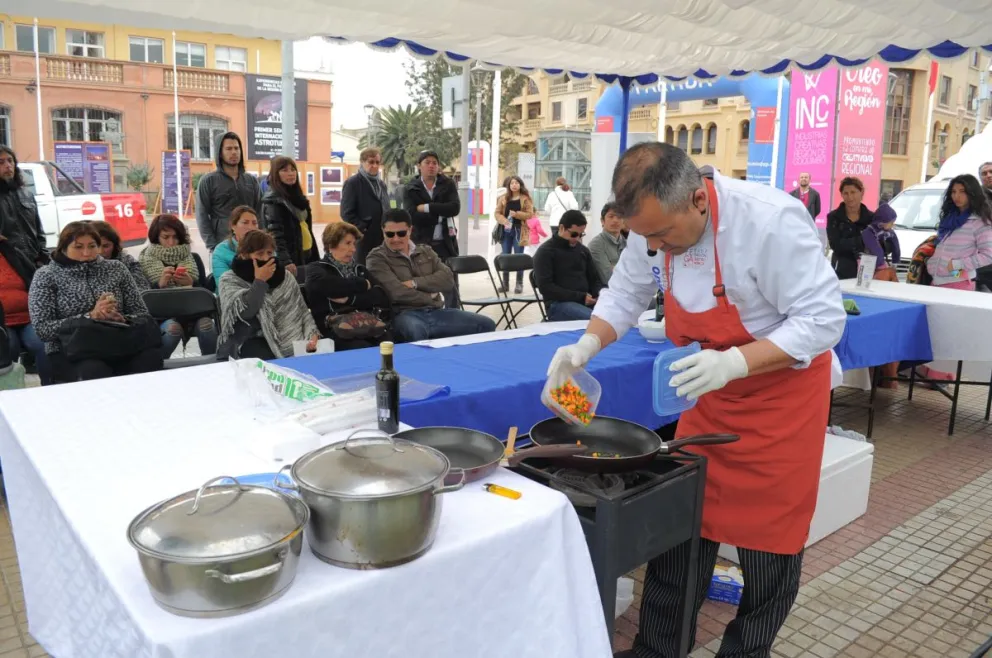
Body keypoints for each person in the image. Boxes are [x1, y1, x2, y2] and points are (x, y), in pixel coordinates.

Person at [547, 143, 845, 658]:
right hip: (708, 398)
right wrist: (586, 346)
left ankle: (746, 651)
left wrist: (734, 363)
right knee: (680, 529)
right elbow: (624, 296)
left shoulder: (769, 221)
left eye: (663, 234)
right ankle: (659, 649)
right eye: (644, 237)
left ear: (697, 201)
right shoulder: (651, 232)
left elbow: (823, 321)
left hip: (781, 404)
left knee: (768, 550)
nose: (655, 247)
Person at [28, 221, 162, 382]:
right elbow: (43, 329)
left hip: (117, 340)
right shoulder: (46, 275)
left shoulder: (116, 268)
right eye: (78, 247)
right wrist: (90, 316)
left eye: (92, 246)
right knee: (93, 369)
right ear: (63, 248)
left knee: (150, 358)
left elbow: (141, 313)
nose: (86, 253)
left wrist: (122, 318)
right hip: (71, 348)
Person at [366, 209, 495, 342]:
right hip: (403, 314)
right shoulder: (376, 258)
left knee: (486, 324)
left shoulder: (425, 251)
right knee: (416, 332)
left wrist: (415, 283)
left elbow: (448, 279)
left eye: (401, 233)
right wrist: (430, 296)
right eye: (390, 234)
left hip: (436, 312)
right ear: (383, 231)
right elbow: (395, 293)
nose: (396, 238)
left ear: (410, 230)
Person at [217, 229, 320, 360]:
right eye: (260, 254)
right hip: (250, 340)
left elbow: (301, 310)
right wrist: (260, 281)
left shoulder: (285, 276)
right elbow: (245, 312)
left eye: (269, 253)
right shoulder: (229, 279)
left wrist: (312, 333)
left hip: (291, 339)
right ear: (244, 255)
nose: (266, 258)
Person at [139, 214, 218, 359]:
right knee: (172, 330)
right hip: (161, 316)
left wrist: (191, 284)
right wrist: (159, 284)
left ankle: (213, 364)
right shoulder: (145, 259)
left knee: (207, 326)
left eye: (175, 237)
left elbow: (206, 293)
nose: (171, 242)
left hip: (194, 314)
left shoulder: (193, 258)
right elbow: (141, 295)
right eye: (166, 237)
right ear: (156, 237)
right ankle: (155, 364)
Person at [306, 222, 391, 351]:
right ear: (331, 245)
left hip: (366, 325)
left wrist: (350, 299)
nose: (353, 249)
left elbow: (381, 296)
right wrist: (363, 284)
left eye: (353, 244)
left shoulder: (359, 269)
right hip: (335, 330)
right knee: (362, 348)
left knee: (388, 343)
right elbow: (330, 287)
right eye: (347, 243)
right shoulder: (317, 269)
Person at [404, 150, 460, 307]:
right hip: (421, 244)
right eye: (427, 162)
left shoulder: (447, 184)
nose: (431, 166)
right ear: (419, 166)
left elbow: (454, 208)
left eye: (434, 163)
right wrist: (439, 214)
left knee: (451, 285)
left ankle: (453, 317)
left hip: (445, 243)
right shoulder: (411, 188)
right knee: (423, 284)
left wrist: (427, 207)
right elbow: (411, 215)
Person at [195, 132, 262, 252]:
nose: (234, 152)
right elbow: (202, 215)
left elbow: (259, 212)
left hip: (250, 245)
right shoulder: (208, 181)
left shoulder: (251, 181)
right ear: (220, 153)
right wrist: (212, 246)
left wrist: (260, 239)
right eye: (229, 149)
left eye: (237, 148)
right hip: (221, 244)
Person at [533, 210, 604, 322]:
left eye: (581, 235)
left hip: (585, 301)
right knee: (596, 320)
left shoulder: (583, 251)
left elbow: (594, 279)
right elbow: (546, 287)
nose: (577, 238)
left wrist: (599, 294)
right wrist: (580, 297)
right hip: (558, 304)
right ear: (561, 228)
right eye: (574, 234)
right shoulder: (545, 252)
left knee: (613, 317)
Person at [926, 174, 992, 291]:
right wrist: (931, 262)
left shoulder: (979, 222)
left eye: (962, 191)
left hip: (959, 284)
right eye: (954, 191)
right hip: (936, 282)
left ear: (972, 193)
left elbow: (988, 255)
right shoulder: (949, 219)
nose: (957, 196)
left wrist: (958, 265)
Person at [0, 234, 49, 384]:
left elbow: (33, 278)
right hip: (3, 322)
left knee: (45, 343)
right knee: (8, 347)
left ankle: (51, 387)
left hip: (29, 316)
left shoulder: (11, 252)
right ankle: (9, 397)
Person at [262, 155, 319, 281]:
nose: (290, 173)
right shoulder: (273, 201)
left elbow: (306, 229)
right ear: (276, 174)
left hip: (307, 252)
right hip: (292, 258)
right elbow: (275, 235)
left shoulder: (299, 198)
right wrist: (285, 260)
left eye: (293, 170)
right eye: (285, 170)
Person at [0, 146, 49, 266]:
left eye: (10, 160)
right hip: (7, 265)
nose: (7, 165)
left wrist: (43, 257)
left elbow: (39, 231)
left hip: (33, 261)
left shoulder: (26, 194)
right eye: (1, 162)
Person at [341, 147, 390, 264]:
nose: (374, 165)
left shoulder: (381, 184)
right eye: (371, 162)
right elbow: (346, 213)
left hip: (382, 236)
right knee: (363, 269)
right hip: (363, 238)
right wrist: (363, 228)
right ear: (362, 163)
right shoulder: (353, 183)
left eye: (377, 162)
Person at [826, 176, 873, 279]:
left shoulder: (872, 218)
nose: (850, 197)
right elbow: (836, 245)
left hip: (867, 271)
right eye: (845, 193)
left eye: (853, 192)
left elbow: (880, 243)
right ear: (841, 195)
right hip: (841, 271)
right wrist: (863, 240)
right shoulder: (833, 217)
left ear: (862, 192)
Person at [494, 176, 534, 293]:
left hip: (519, 230)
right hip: (506, 230)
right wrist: (504, 220)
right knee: (505, 256)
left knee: (518, 257)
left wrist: (517, 214)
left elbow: (530, 214)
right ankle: (505, 284)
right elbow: (497, 213)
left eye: (516, 183)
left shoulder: (525, 199)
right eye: (512, 183)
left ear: (520, 185)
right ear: (509, 185)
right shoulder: (503, 198)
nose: (514, 185)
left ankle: (519, 284)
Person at [211, 205, 260, 282]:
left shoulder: (265, 246)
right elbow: (224, 285)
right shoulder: (221, 251)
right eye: (245, 223)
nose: (251, 227)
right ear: (233, 226)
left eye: (254, 223)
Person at [94, 222, 149, 290]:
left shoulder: (129, 263)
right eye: (95, 246)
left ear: (114, 246)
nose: (100, 251)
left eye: (106, 246)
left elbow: (142, 290)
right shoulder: (82, 268)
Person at [588, 202, 627, 283]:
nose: (615, 220)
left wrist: (615, 268)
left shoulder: (627, 243)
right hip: (607, 292)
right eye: (611, 216)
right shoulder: (596, 244)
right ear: (602, 221)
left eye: (619, 217)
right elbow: (608, 277)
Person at [861, 203, 901, 283]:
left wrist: (895, 261)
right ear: (883, 222)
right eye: (891, 222)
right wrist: (882, 264)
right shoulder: (869, 232)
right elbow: (876, 249)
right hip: (868, 263)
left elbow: (896, 246)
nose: (893, 225)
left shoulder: (889, 231)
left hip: (879, 264)